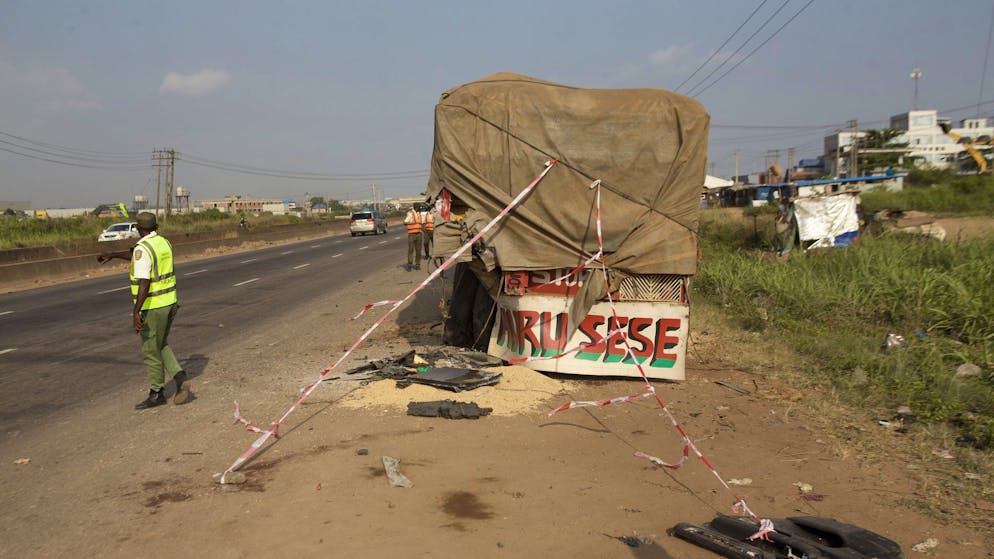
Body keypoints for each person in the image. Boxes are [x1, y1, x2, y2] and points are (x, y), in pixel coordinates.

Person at [98, 212, 189, 409]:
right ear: (155, 226)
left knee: (150, 350)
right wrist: (113, 255)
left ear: (139, 229)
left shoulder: (143, 248)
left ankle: (157, 393)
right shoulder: (163, 242)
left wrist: (136, 312)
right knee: (161, 343)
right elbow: (137, 255)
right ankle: (180, 377)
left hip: (153, 307)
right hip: (170, 302)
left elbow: (144, 282)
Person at [404, 204, 423, 271]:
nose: (420, 208)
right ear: (415, 207)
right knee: (411, 250)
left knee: (418, 250)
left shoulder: (419, 214)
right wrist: (411, 223)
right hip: (412, 234)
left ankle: (417, 265)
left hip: (419, 234)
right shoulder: (410, 214)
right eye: (419, 207)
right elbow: (405, 222)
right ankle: (410, 265)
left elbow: (421, 223)